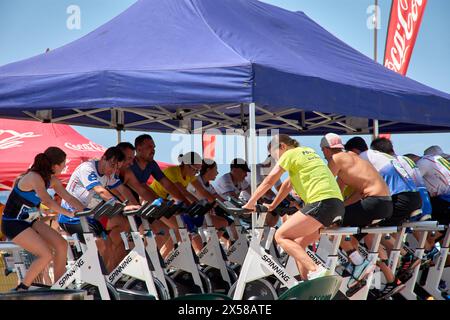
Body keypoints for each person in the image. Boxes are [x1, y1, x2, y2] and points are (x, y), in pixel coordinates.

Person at [243, 134, 345, 280]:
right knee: (298, 244)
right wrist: (272, 205)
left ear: (282, 147)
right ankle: (308, 284)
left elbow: (269, 180)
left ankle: (316, 269)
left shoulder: (289, 153)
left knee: (281, 236)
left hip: (321, 202)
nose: (276, 160)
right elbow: (287, 185)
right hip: (336, 205)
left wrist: (250, 203)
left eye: (275, 156)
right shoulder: (307, 152)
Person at [345, 137, 423, 292]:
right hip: (413, 197)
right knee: (371, 232)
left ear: (353, 152)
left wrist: (343, 204)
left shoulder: (362, 158)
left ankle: (401, 260)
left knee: (367, 233)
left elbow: (360, 191)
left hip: (400, 197)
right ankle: (393, 275)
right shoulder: (381, 156)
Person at [1, 147, 85, 290]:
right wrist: (69, 213)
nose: (65, 167)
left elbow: (69, 197)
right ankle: (22, 287)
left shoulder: (51, 180)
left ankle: (59, 286)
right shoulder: (34, 177)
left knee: (62, 244)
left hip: (29, 221)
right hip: (13, 223)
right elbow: (47, 202)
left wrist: (86, 211)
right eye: (63, 164)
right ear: (54, 165)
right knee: (45, 255)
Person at [57, 146, 139, 272]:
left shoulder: (109, 172)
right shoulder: (87, 168)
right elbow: (100, 191)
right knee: (101, 243)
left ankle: (109, 277)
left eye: (117, 167)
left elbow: (122, 189)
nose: (113, 170)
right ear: (103, 158)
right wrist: (121, 206)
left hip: (90, 215)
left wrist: (135, 206)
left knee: (120, 230)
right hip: (71, 217)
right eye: (112, 165)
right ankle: (93, 276)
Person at [150, 152, 213, 254]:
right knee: (181, 228)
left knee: (181, 229)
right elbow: (181, 193)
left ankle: (163, 261)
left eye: (198, 171)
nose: (196, 173)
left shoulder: (189, 175)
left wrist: (208, 204)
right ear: (187, 165)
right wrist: (196, 206)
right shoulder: (172, 172)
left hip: (165, 204)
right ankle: (162, 260)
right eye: (195, 170)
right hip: (153, 202)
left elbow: (202, 191)